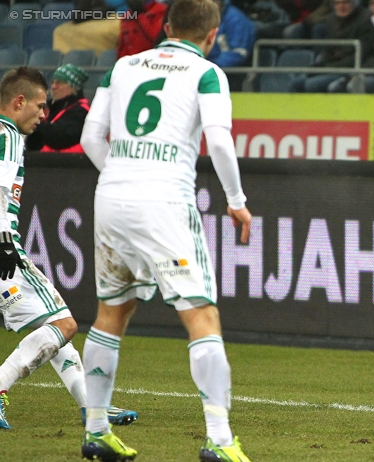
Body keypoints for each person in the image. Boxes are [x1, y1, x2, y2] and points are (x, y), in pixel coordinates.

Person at [79, 0, 252, 459]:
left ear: (168, 26)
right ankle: (219, 439)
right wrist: (236, 203)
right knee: (201, 315)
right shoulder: (207, 73)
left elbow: (90, 137)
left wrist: (119, 174)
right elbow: (217, 140)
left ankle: (96, 430)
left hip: (112, 197)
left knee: (111, 312)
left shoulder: (123, 65)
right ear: (212, 35)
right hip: (165, 201)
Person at [0, 67, 138, 430]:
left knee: (52, 321)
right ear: (19, 102)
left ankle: (91, 403)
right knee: (64, 323)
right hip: (3, 248)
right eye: (41, 106)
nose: (45, 115)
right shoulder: (9, 136)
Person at [302, 0, 373, 93]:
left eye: (345, 3)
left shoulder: (365, 19)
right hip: (332, 67)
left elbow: (360, 56)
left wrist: (328, 69)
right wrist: (321, 66)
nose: (341, 6)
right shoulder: (332, 19)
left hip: (350, 70)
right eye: (337, 3)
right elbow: (328, 49)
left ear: (354, 3)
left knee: (312, 84)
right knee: (297, 83)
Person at [25, 64, 91, 153]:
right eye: (52, 82)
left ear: (73, 86)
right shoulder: (50, 109)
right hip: (43, 163)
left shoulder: (81, 111)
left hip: (69, 164)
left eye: (59, 83)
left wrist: (35, 122)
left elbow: (60, 137)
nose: (53, 86)